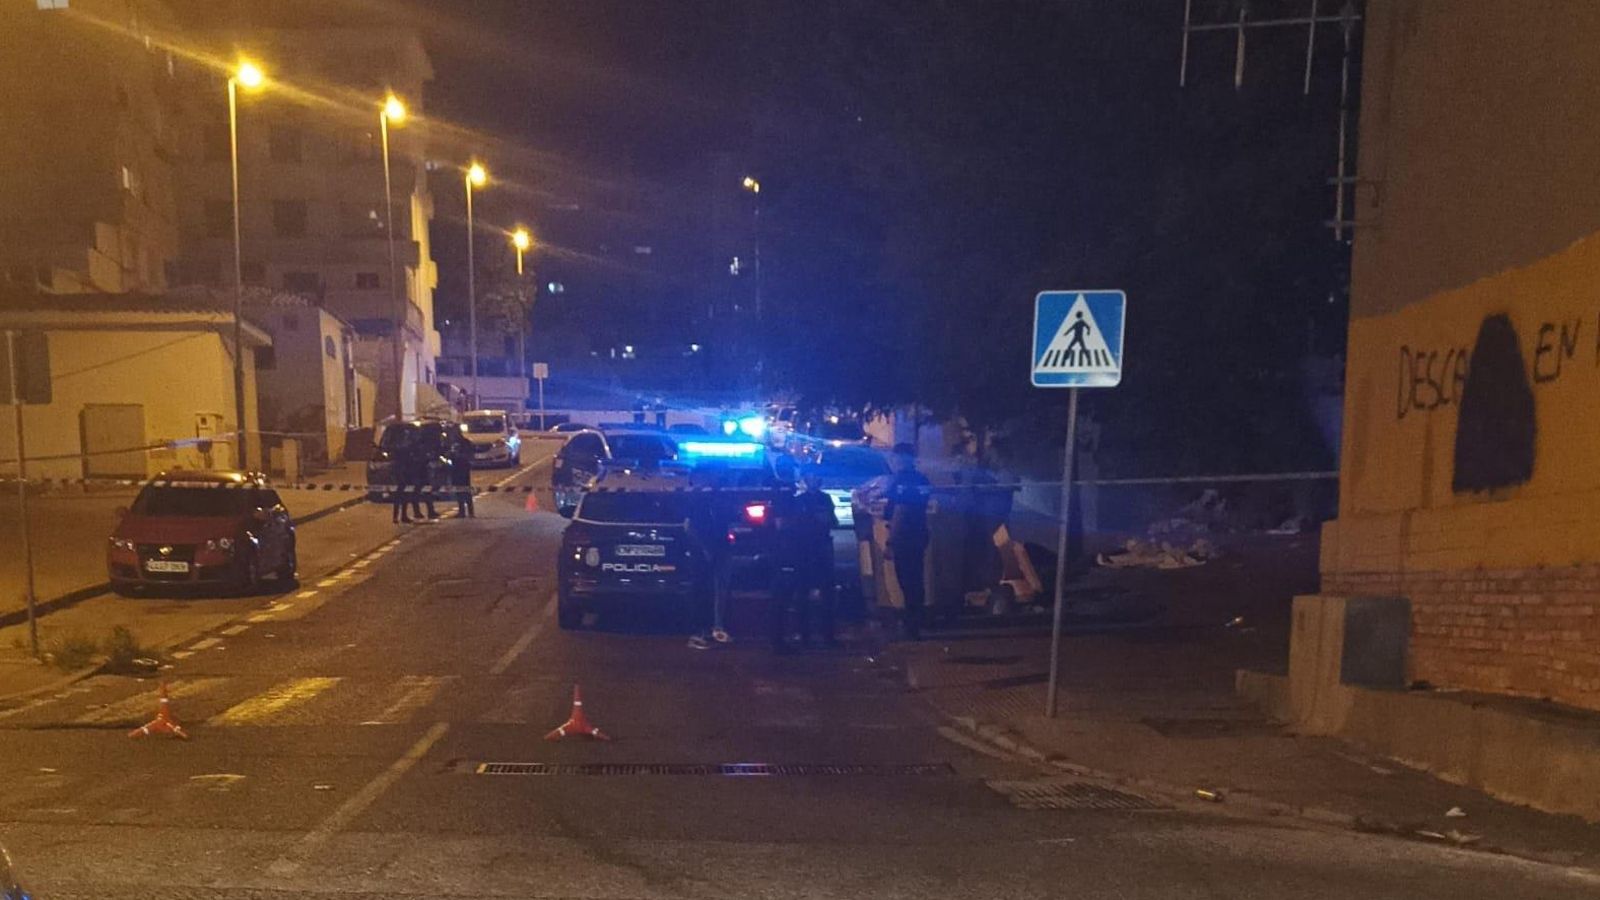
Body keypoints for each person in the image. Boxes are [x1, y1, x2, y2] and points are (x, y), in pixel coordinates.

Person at [772, 465, 839, 652]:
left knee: (826, 593)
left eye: (817, 476)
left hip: (820, 549)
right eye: (811, 476)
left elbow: (832, 521)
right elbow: (789, 525)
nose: (814, 480)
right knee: (802, 593)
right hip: (804, 551)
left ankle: (827, 635)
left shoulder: (825, 499)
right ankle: (804, 634)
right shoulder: (798, 501)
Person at [884, 442, 931, 639]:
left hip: (904, 536)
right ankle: (915, 622)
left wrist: (890, 542)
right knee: (915, 578)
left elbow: (897, 513)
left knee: (906, 579)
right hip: (919, 534)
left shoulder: (898, 481)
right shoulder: (922, 479)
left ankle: (911, 624)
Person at [448, 430, 475, 518]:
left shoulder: (464, 443)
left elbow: (467, 455)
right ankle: (464, 511)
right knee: (460, 490)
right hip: (457, 467)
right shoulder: (453, 443)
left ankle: (467, 511)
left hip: (461, 468)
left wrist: (455, 456)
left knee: (464, 489)